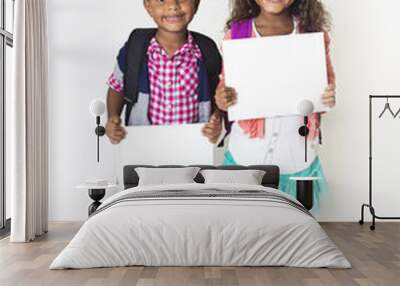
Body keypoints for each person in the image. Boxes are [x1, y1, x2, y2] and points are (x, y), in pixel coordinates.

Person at [215, 0, 336, 209]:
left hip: (297, 159)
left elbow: (324, 91)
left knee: (294, 233)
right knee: (245, 230)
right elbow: (225, 91)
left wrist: (326, 99)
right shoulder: (237, 34)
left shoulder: (312, 35)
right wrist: (222, 100)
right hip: (246, 159)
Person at [105, 0, 223, 145]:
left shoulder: (207, 51)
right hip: (144, 147)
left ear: (196, 3)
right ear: (148, 6)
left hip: (192, 147)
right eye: (161, 0)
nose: (173, 5)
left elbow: (219, 94)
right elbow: (116, 87)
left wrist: (217, 118)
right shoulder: (135, 48)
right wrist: (112, 117)